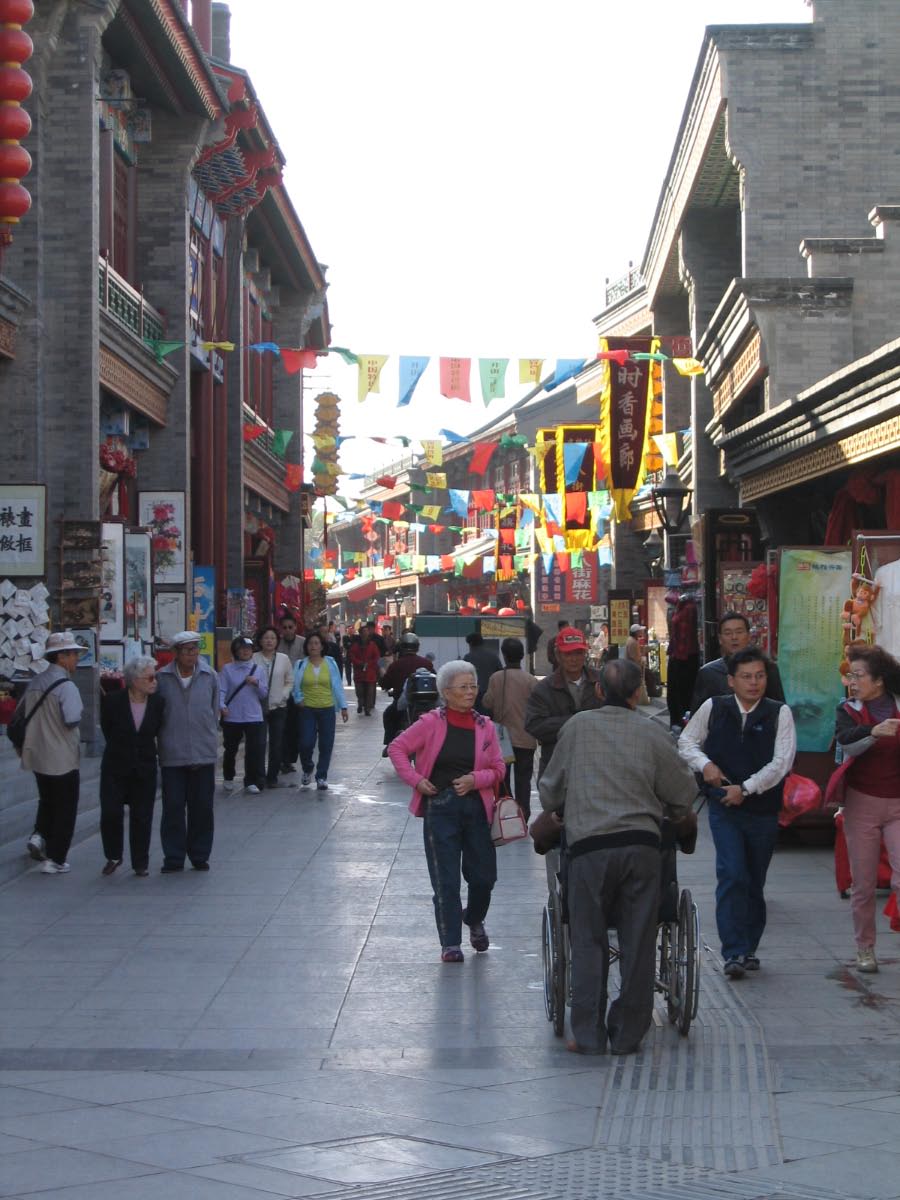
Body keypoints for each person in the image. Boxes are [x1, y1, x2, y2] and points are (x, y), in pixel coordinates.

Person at [539, 659, 697, 1055]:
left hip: (588, 849)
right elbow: (682, 793)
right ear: (637, 692)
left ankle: (588, 1035)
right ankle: (627, 1033)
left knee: (587, 939)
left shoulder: (576, 727)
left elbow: (550, 791)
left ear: (598, 691)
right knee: (639, 940)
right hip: (641, 848)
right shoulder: (653, 732)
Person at [679, 647, 796, 978]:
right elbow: (686, 742)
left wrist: (745, 789)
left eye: (759, 676)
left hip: (763, 810)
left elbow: (782, 762)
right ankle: (733, 951)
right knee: (731, 873)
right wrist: (706, 765)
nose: (754, 683)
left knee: (754, 880)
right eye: (746, 677)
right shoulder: (714, 707)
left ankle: (749, 946)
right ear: (731, 680)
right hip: (724, 808)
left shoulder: (779, 713)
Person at [387, 660, 506, 963]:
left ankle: (474, 918)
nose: (470, 692)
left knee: (484, 877)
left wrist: (475, 779)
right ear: (446, 692)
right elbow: (397, 748)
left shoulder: (486, 726)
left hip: (477, 808)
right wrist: (416, 780)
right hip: (440, 808)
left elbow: (498, 768)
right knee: (446, 880)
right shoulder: (430, 722)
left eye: (473, 686)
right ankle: (450, 943)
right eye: (463, 687)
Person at [827, 644, 900, 973]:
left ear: (879, 680)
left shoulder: (898, 705)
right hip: (861, 803)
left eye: (858, 676)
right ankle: (865, 948)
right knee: (864, 884)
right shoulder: (848, 710)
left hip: (898, 803)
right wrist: (873, 731)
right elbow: (846, 741)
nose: (852, 682)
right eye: (850, 676)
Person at [20, 630, 88, 874]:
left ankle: (39, 836)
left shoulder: (35, 682)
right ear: (61, 657)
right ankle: (56, 858)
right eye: (73, 654)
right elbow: (72, 718)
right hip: (61, 755)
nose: (76, 659)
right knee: (65, 807)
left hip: (37, 753)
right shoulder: (66, 686)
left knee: (47, 799)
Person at [155, 630, 220, 873]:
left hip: (203, 751)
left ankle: (200, 855)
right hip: (172, 752)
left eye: (195, 649)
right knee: (173, 807)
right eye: (187, 650)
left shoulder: (209, 675)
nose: (192, 654)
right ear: (176, 652)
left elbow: (214, 710)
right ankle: (173, 857)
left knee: (202, 807)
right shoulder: (162, 678)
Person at [98, 655, 165, 877]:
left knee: (142, 815)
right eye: (150, 678)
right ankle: (113, 855)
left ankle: (140, 862)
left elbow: (157, 729)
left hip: (144, 765)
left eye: (155, 677)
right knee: (111, 812)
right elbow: (108, 729)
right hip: (116, 764)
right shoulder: (113, 701)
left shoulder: (158, 702)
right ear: (135, 680)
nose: (154, 682)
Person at [524, 626, 603, 779]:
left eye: (578, 653)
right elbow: (534, 725)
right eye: (568, 654)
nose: (574, 659)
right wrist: (577, 721)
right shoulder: (543, 688)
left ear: (585, 653)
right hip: (557, 768)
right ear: (558, 655)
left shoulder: (601, 681)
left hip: (595, 766)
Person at [483, 637, 538, 819]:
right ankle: (523, 815)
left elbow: (487, 703)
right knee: (524, 781)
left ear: (504, 656)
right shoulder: (531, 680)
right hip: (526, 738)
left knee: (502, 781)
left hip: (502, 740)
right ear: (522, 656)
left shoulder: (496, 678)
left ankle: (505, 816)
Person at [690, 611, 785, 715]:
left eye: (739, 632)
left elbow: (779, 709)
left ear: (749, 636)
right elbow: (697, 716)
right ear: (720, 639)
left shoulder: (767, 668)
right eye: (728, 633)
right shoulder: (708, 673)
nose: (734, 637)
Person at [293, 631, 349, 791]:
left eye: (317, 643)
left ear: (322, 646)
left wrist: (343, 707)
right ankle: (307, 767)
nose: (313, 646)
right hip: (307, 709)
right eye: (310, 643)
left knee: (326, 744)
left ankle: (321, 776)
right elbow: (294, 685)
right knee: (306, 742)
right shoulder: (301, 664)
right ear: (306, 647)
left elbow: (337, 685)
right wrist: (298, 699)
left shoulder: (330, 663)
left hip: (327, 708)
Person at [219, 635, 268, 794]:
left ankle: (250, 780)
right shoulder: (227, 669)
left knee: (253, 750)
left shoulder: (258, 670)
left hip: (253, 715)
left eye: (248, 649)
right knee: (230, 749)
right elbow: (222, 690)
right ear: (235, 651)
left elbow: (264, 693)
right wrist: (221, 705)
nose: (246, 651)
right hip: (232, 716)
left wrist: (256, 683)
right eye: (242, 649)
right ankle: (228, 776)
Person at [252, 626, 295, 789]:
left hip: (279, 706)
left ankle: (272, 776)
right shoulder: (253, 658)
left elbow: (289, 680)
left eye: (272, 638)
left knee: (276, 743)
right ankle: (259, 776)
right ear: (260, 640)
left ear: (277, 641)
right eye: (266, 638)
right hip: (258, 706)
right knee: (259, 743)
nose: (269, 641)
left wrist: (283, 695)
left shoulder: (283, 659)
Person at [379, 630, 435, 752]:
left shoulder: (396, 665)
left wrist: (382, 673)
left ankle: (391, 743)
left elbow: (385, 684)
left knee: (388, 715)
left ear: (401, 647)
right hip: (426, 704)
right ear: (417, 647)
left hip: (401, 703)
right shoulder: (426, 663)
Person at [666, 594, 700, 730]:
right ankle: (678, 721)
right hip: (680, 655)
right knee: (677, 693)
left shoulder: (688, 608)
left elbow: (685, 634)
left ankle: (681, 722)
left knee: (682, 693)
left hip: (685, 657)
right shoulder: (683, 606)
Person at [277, 613, 306, 775]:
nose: (288, 630)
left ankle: (291, 758)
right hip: (280, 690)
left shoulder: (303, 643)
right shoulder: (276, 643)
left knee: (296, 727)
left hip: (298, 691)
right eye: (285, 627)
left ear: (295, 627)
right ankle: (284, 759)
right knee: (282, 727)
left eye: (290, 627)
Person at [463, 631, 503, 711]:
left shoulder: (467, 658)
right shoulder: (493, 656)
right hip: (490, 695)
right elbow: (500, 674)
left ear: (470, 644)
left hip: (473, 696)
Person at [350, 624, 380, 715]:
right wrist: (359, 663)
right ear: (360, 633)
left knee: (370, 691)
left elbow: (376, 656)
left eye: (367, 631)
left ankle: (367, 708)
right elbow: (352, 656)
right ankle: (360, 703)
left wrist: (369, 664)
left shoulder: (372, 645)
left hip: (370, 672)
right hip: (359, 672)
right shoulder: (356, 645)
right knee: (359, 691)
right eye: (364, 632)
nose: (366, 633)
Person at [625, 624, 650, 706]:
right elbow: (635, 658)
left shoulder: (631, 640)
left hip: (631, 667)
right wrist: (642, 661)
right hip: (633, 668)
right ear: (636, 632)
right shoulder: (633, 642)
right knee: (636, 685)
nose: (642, 632)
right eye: (640, 631)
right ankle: (638, 701)